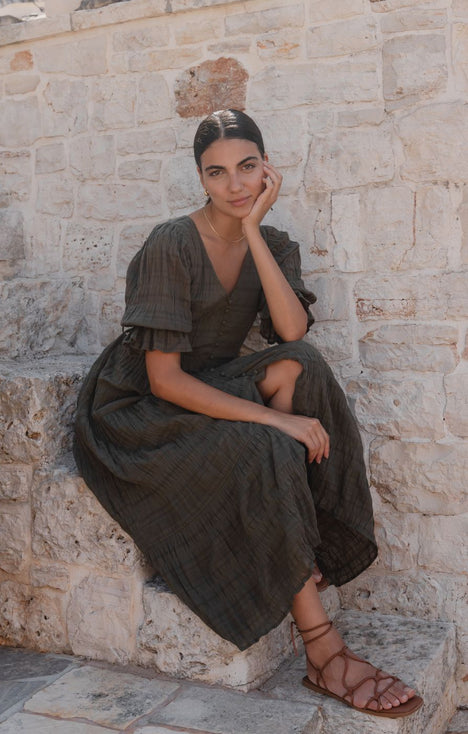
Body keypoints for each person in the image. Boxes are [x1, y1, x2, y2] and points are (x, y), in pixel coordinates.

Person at [74, 109, 423, 718]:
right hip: (138, 409)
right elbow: (164, 378)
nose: (235, 185)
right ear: (200, 178)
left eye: (247, 167)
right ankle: (324, 652)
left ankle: (298, 531)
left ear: (267, 167)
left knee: (302, 363)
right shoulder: (171, 242)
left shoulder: (274, 241)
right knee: (263, 442)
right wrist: (275, 422)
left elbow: (290, 331)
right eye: (217, 173)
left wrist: (255, 232)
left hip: (207, 381)